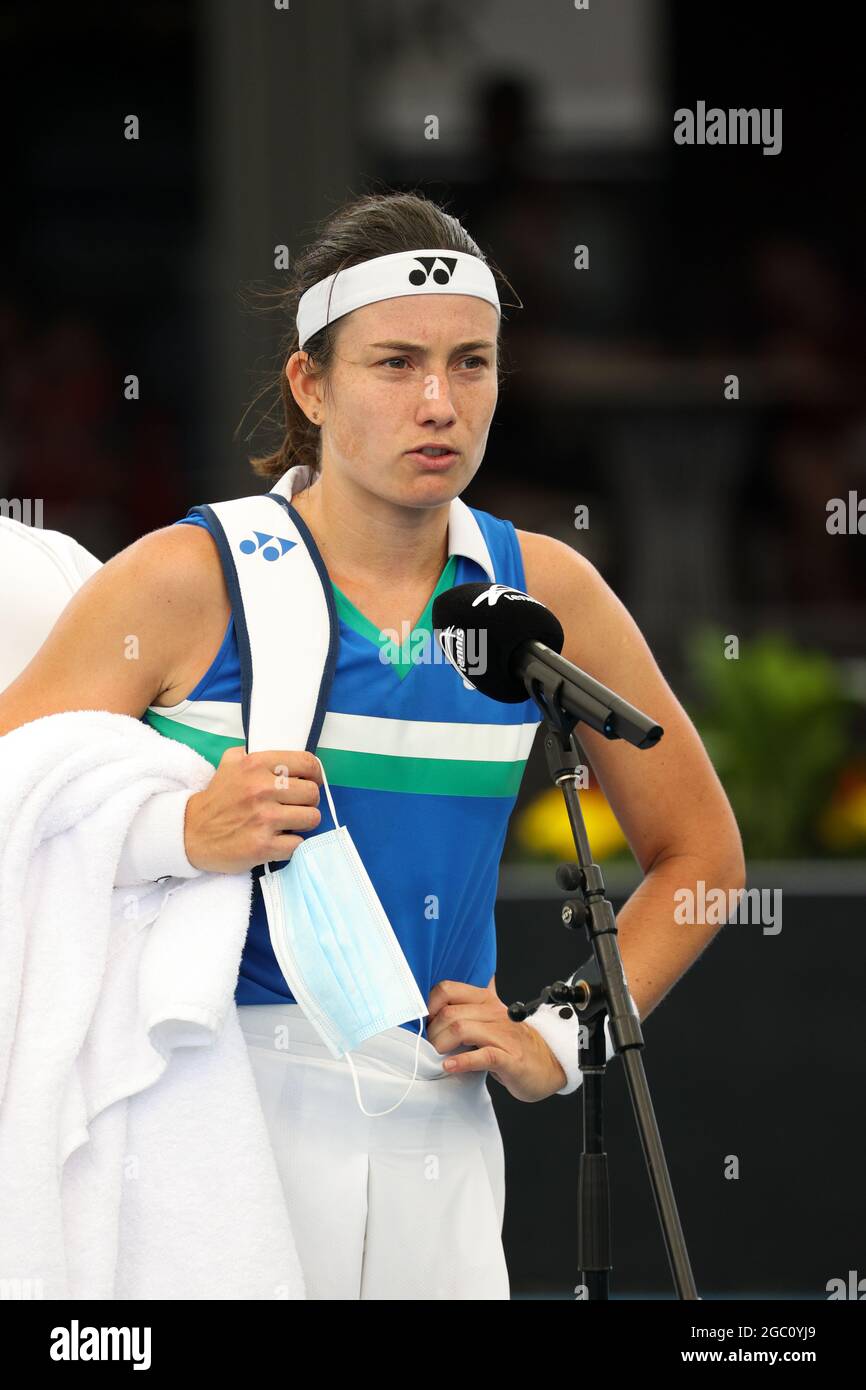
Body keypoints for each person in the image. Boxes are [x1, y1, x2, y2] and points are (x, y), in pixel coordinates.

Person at [0, 191, 744, 1300]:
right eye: (394, 363)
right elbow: (15, 801)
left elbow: (700, 860)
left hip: (437, 1125)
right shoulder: (183, 575)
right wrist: (177, 829)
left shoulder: (545, 592)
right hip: (208, 1110)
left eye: (471, 364)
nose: (438, 403)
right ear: (311, 382)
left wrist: (558, 1035)